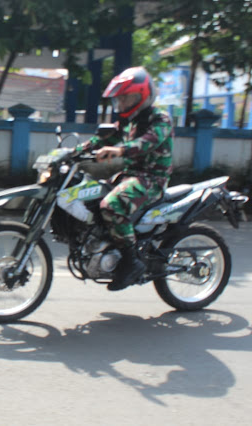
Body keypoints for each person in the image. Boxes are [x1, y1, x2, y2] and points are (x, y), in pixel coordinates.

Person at [77, 66, 174, 291]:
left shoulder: (160, 119)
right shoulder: (129, 122)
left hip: (151, 179)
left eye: (125, 97)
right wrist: (76, 151)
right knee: (90, 197)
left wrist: (119, 151)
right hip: (129, 176)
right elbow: (103, 138)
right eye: (119, 99)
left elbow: (148, 142)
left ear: (141, 95)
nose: (120, 103)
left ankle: (132, 262)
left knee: (112, 205)